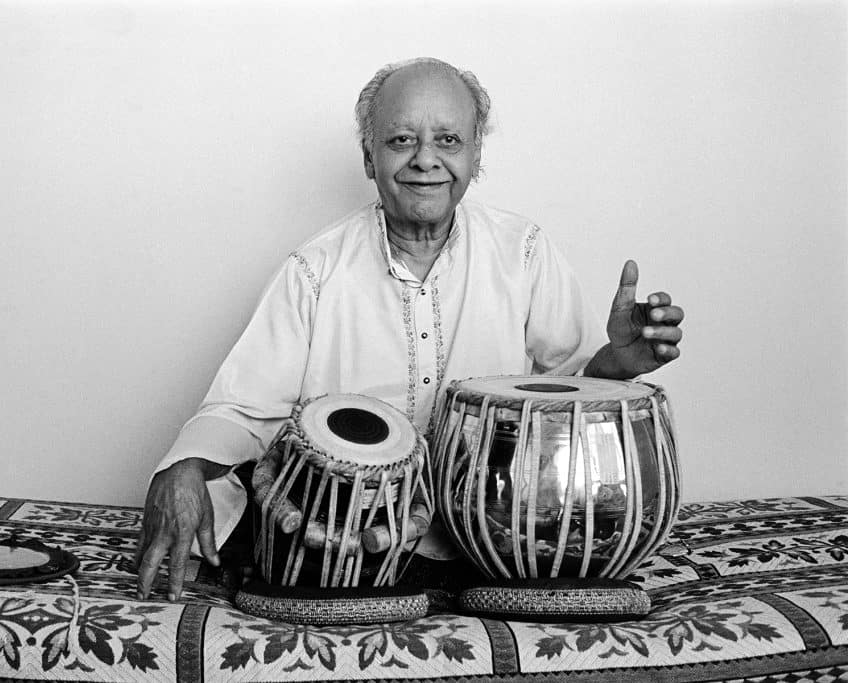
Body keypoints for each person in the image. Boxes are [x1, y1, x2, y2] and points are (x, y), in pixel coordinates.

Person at [134, 57, 685, 600]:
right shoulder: (314, 270)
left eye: (448, 140)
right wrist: (181, 467)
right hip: (349, 536)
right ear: (369, 158)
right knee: (227, 499)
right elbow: (241, 408)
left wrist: (618, 362)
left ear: (475, 155)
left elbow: (570, 388)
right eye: (401, 140)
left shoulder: (523, 252)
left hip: (490, 535)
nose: (426, 160)